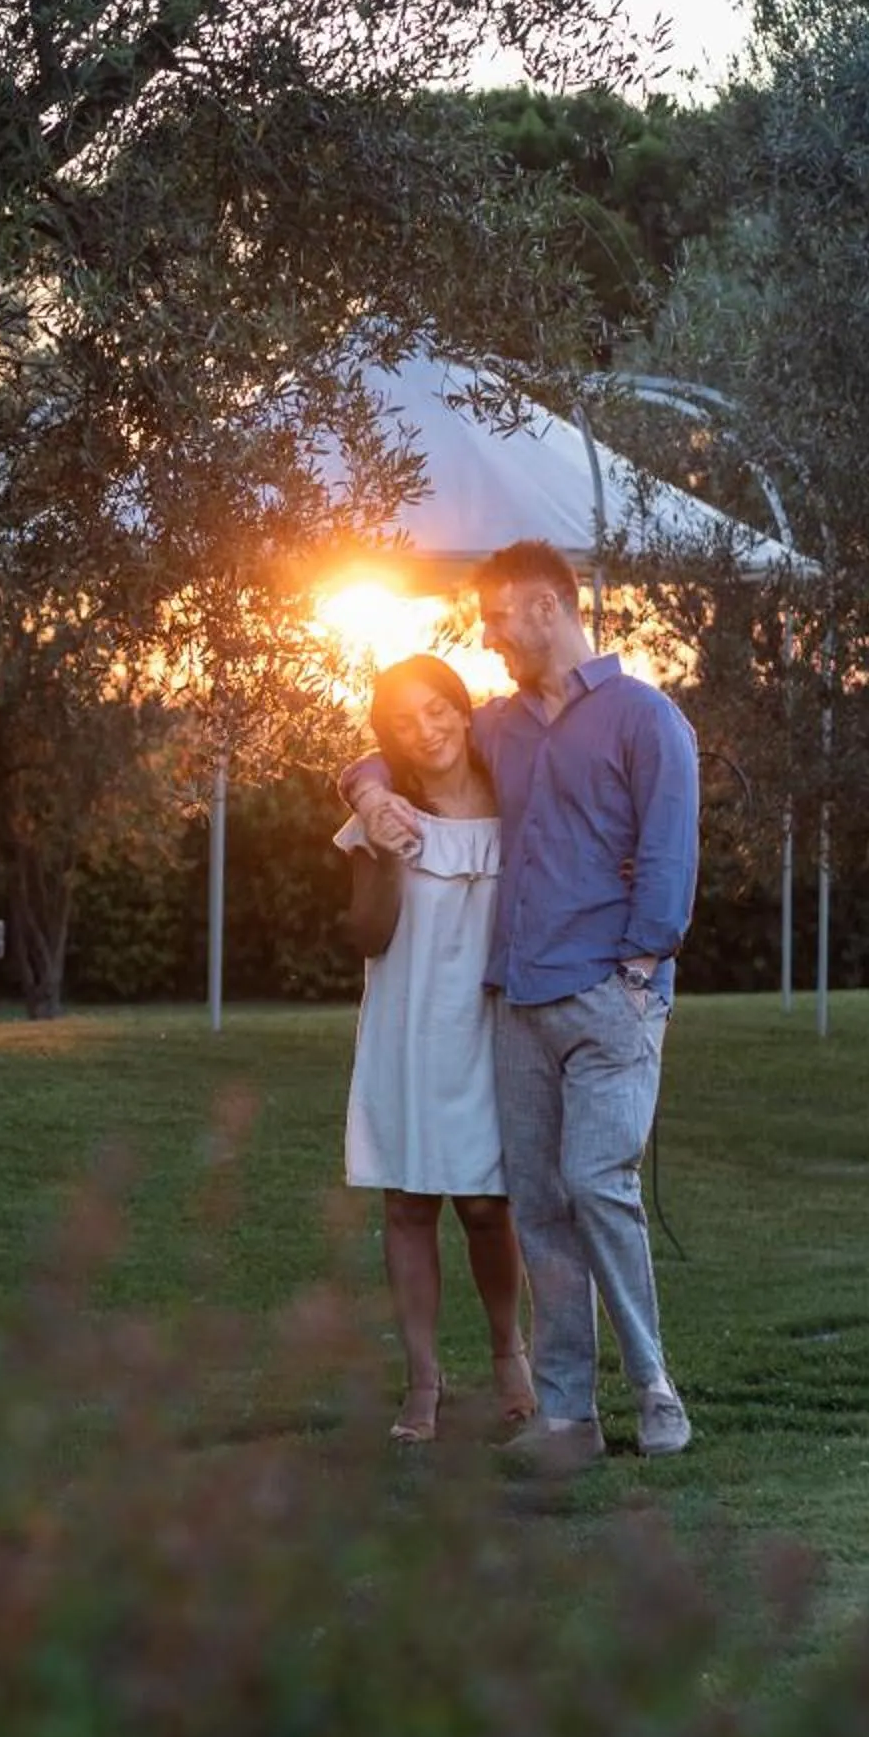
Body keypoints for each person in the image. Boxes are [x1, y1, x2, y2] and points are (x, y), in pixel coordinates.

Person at [345, 541, 700, 1467]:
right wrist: (368, 786)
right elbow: (389, 747)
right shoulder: (503, 729)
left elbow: (668, 861)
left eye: (500, 620)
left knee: (596, 1186)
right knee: (538, 1208)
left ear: (546, 607)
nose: (491, 639)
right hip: (516, 1003)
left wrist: (637, 970)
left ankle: (655, 1387)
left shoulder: (645, 718)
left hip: (611, 999)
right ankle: (566, 1417)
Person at [337, 655, 538, 1445]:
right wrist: (385, 851)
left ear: (463, 710)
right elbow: (367, 935)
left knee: (489, 1204)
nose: (425, 733)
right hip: (408, 1025)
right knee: (408, 1202)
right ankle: (422, 1378)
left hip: (491, 1027)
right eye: (403, 723)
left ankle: (508, 1355)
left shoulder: (517, 800)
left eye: (437, 711)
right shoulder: (384, 817)